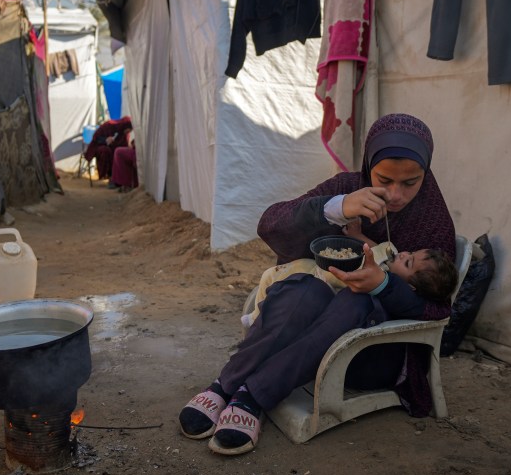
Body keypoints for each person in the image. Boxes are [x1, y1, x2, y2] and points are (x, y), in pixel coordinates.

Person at [179, 113, 456, 455]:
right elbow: (270, 224)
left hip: (368, 354)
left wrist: (383, 285)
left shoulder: (434, 223)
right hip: (309, 329)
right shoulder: (346, 187)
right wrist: (337, 207)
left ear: (425, 174)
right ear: (368, 165)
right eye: (384, 179)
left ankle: (252, 395)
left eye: (411, 182)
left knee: (357, 300)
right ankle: (226, 385)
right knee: (304, 288)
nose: (395, 195)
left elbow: (439, 310)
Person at [241, 246, 458, 329]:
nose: (403, 254)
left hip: (324, 297)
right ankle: (257, 315)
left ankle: (258, 318)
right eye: (410, 253)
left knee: (278, 278)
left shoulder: (387, 291)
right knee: (270, 275)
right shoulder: (386, 269)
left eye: (408, 262)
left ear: (410, 288)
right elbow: (370, 250)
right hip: (321, 281)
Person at [84, 116, 132, 182]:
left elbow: (124, 144)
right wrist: (105, 140)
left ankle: (117, 177)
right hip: (99, 145)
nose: (128, 132)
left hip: (113, 148)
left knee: (119, 152)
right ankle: (107, 175)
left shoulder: (123, 132)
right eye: (128, 130)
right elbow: (96, 138)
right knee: (105, 151)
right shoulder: (108, 125)